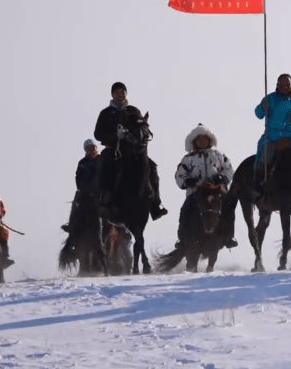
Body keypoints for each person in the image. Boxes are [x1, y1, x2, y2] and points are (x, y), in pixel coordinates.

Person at [94, 82, 167, 220]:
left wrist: (141, 131)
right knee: (104, 167)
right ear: (112, 95)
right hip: (113, 149)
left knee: (152, 167)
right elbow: (98, 134)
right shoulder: (105, 113)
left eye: (123, 92)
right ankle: (104, 201)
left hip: (133, 150)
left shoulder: (133, 110)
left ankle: (155, 204)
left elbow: (142, 127)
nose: (120, 95)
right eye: (117, 92)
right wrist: (116, 136)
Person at [174, 124, 237, 248]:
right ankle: (182, 239)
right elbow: (180, 174)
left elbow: (228, 170)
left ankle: (229, 237)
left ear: (210, 140)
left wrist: (221, 177)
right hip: (196, 192)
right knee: (186, 208)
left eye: (205, 139)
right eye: (199, 139)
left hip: (216, 190)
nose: (202, 141)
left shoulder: (219, 155)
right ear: (194, 142)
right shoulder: (188, 158)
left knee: (229, 205)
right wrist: (188, 181)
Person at [253, 73, 291, 195]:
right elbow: (258, 114)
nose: (285, 87)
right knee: (264, 151)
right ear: (277, 85)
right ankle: (258, 182)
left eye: (287, 85)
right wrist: (262, 108)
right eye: (282, 85)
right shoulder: (270, 98)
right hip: (273, 135)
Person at [61, 139, 103, 234]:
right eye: (88, 149)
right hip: (86, 192)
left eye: (92, 148)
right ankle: (72, 224)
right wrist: (83, 188)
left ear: (96, 148)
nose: (91, 150)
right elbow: (78, 177)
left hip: (101, 191)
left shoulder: (102, 160)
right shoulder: (82, 162)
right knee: (76, 201)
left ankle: (124, 228)